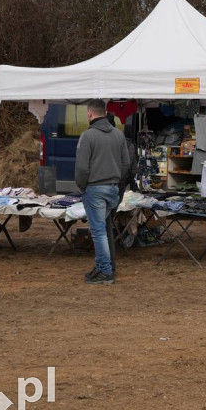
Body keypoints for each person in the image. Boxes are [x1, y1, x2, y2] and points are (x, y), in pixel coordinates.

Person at [76, 99, 130, 285]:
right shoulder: (118, 135)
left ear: (90, 113)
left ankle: (105, 272)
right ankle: (101, 268)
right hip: (113, 189)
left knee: (98, 232)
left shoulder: (87, 136)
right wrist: (116, 180)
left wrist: (83, 186)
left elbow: (82, 168)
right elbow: (126, 164)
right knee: (104, 230)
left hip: (95, 188)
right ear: (105, 112)